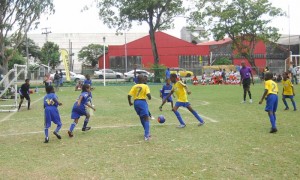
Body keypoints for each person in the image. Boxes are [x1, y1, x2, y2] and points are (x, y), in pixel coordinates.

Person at [128, 74, 151, 141]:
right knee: (146, 118)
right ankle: (146, 135)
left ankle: (146, 132)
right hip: (142, 102)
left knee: (141, 117)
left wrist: (130, 102)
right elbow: (148, 94)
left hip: (136, 103)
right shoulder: (145, 86)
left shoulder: (134, 86)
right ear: (143, 79)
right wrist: (149, 97)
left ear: (137, 80)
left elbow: (129, 95)